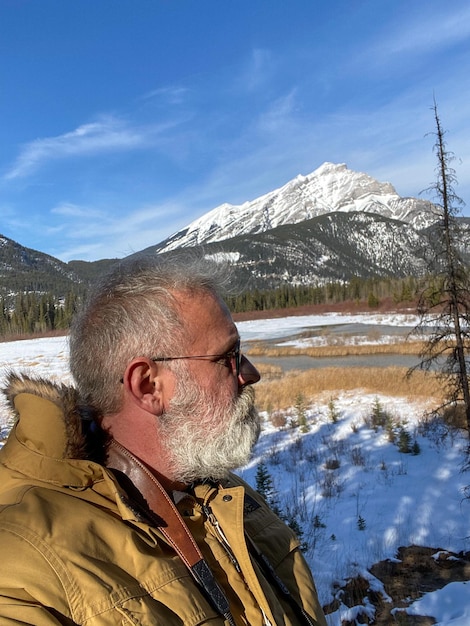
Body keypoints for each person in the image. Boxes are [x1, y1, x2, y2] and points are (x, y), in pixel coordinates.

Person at [0, 253, 327, 626]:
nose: (250, 373)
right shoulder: (25, 569)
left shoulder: (223, 494)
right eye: (228, 357)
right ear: (148, 386)